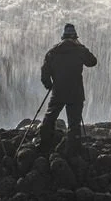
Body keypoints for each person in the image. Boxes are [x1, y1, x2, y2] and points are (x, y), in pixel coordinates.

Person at [39, 23, 97, 155]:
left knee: (50, 118)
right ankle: (72, 150)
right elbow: (92, 62)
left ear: (62, 37)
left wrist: (49, 85)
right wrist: (81, 45)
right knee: (74, 122)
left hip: (58, 91)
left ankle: (44, 145)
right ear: (75, 37)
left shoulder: (52, 52)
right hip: (75, 92)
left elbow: (44, 73)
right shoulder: (79, 50)